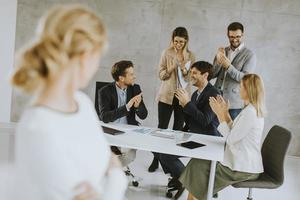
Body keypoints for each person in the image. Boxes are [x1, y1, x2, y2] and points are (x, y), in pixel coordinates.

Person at [10, 5, 126, 200]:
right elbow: (111, 164)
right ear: (85, 57)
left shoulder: (82, 103)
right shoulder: (39, 128)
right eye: (98, 57)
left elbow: (110, 159)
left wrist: (107, 180)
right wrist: (115, 177)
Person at [180, 74, 266, 200]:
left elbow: (230, 139)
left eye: (241, 86)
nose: (238, 89)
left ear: (248, 90)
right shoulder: (249, 110)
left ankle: (199, 196)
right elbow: (235, 131)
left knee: (199, 168)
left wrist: (220, 114)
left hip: (243, 168)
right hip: (241, 161)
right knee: (197, 162)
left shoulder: (250, 113)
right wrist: (225, 113)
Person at [157, 61, 221, 199]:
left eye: (194, 73)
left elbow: (205, 120)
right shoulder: (196, 94)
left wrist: (187, 103)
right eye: (190, 72)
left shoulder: (214, 93)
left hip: (208, 140)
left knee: (166, 156)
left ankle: (189, 182)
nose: (190, 76)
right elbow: (190, 120)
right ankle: (188, 181)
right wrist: (182, 106)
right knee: (162, 152)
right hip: (195, 136)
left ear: (205, 75)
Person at [149, 26, 195, 173]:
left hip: (182, 97)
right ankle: (156, 159)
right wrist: (170, 68)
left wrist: (184, 70)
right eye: (176, 41)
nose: (178, 44)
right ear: (172, 40)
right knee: (161, 128)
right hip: (166, 96)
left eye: (181, 42)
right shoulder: (166, 53)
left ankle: (170, 161)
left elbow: (192, 78)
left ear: (186, 41)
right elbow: (160, 74)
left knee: (178, 129)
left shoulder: (191, 56)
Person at [98, 60, 148, 166]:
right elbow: (105, 117)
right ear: (121, 78)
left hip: (129, 129)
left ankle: (110, 170)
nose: (134, 76)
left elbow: (144, 115)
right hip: (111, 130)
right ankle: (111, 170)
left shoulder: (135, 88)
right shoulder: (104, 91)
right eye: (131, 74)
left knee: (130, 156)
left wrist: (138, 106)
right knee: (109, 154)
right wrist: (127, 106)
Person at [211, 22, 256, 120]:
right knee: (213, 131)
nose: (234, 39)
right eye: (231, 37)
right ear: (228, 35)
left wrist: (228, 67)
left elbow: (245, 78)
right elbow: (212, 75)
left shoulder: (249, 55)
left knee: (230, 132)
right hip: (217, 98)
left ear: (242, 35)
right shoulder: (223, 51)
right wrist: (218, 61)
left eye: (238, 36)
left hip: (234, 103)